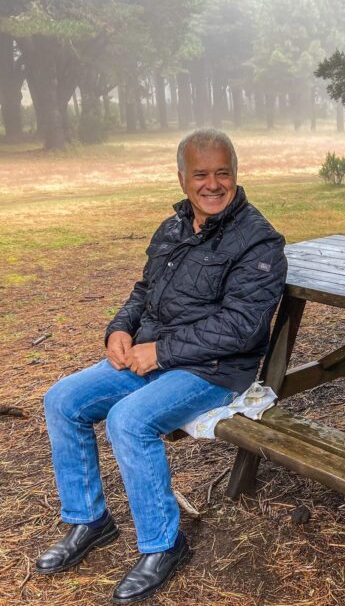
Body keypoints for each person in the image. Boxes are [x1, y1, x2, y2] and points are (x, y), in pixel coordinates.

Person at [36, 129, 287, 604]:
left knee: (128, 420)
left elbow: (242, 328)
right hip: (152, 354)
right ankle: (89, 520)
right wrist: (119, 330)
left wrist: (162, 351)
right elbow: (143, 292)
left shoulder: (258, 240)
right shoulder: (171, 229)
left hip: (215, 371)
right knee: (62, 400)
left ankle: (163, 545)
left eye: (222, 173)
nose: (212, 184)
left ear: (235, 175)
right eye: (200, 174)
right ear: (182, 179)